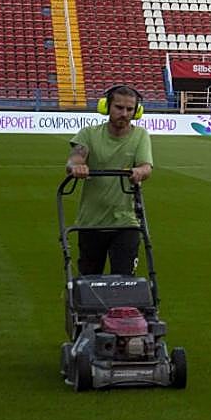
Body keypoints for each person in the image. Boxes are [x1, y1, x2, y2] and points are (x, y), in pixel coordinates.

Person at [66, 85, 153, 276]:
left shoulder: (140, 136)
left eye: (129, 109)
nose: (124, 113)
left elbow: (146, 166)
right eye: (119, 107)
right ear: (106, 107)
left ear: (136, 112)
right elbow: (74, 159)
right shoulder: (88, 134)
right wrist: (77, 167)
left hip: (126, 221)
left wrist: (140, 171)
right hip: (91, 222)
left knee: (124, 280)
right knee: (89, 280)